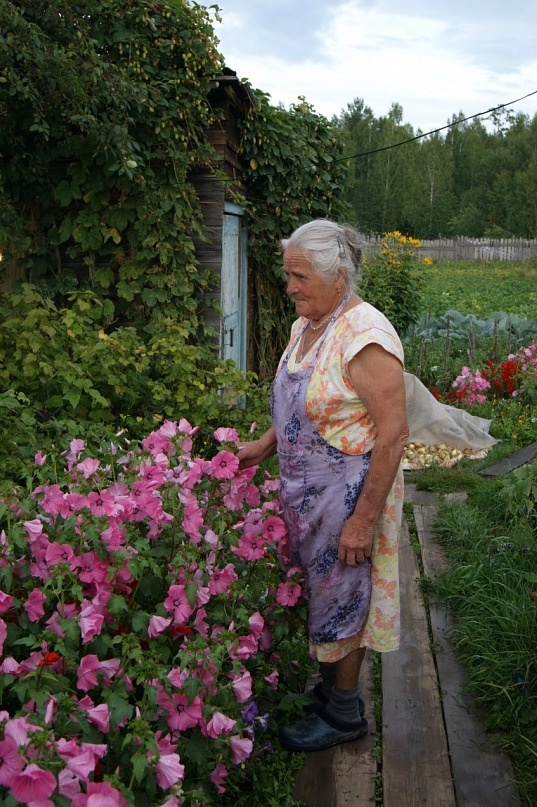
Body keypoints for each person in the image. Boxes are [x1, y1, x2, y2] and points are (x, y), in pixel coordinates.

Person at [238, 219, 409, 752]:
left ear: (337, 277)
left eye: (299, 276)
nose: (289, 287)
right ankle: (332, 688)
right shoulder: (306, 325)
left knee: (345, 597)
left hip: (349, 497)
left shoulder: (366, 338)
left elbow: (394, 436)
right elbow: (304, 399)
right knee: (323, 592)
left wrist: (362, 520)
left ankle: (343, 713)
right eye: (288, 275)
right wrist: (265, 445)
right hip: (307, 494)